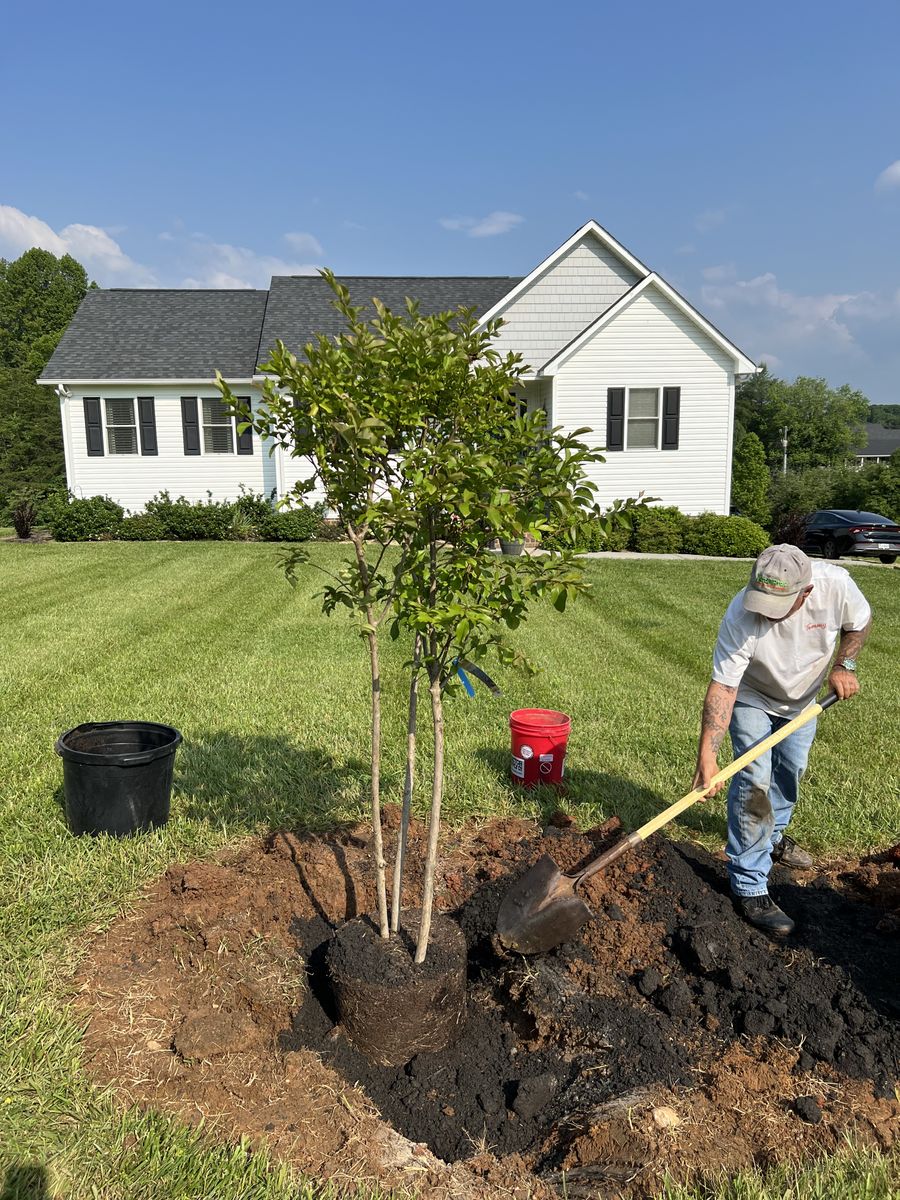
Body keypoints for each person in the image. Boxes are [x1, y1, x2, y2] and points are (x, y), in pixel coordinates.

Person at [692, 544, 871, 937]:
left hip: (803, 701)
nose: (764, 612)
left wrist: (845, 663)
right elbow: (723, 687)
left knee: (790, 774)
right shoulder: (741, 612)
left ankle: (771, 838)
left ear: (806, 592)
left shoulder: (835, 585)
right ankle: (749, 883)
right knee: (754, 779)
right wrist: (708, 756)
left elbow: (859, 622)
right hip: (752, 695)